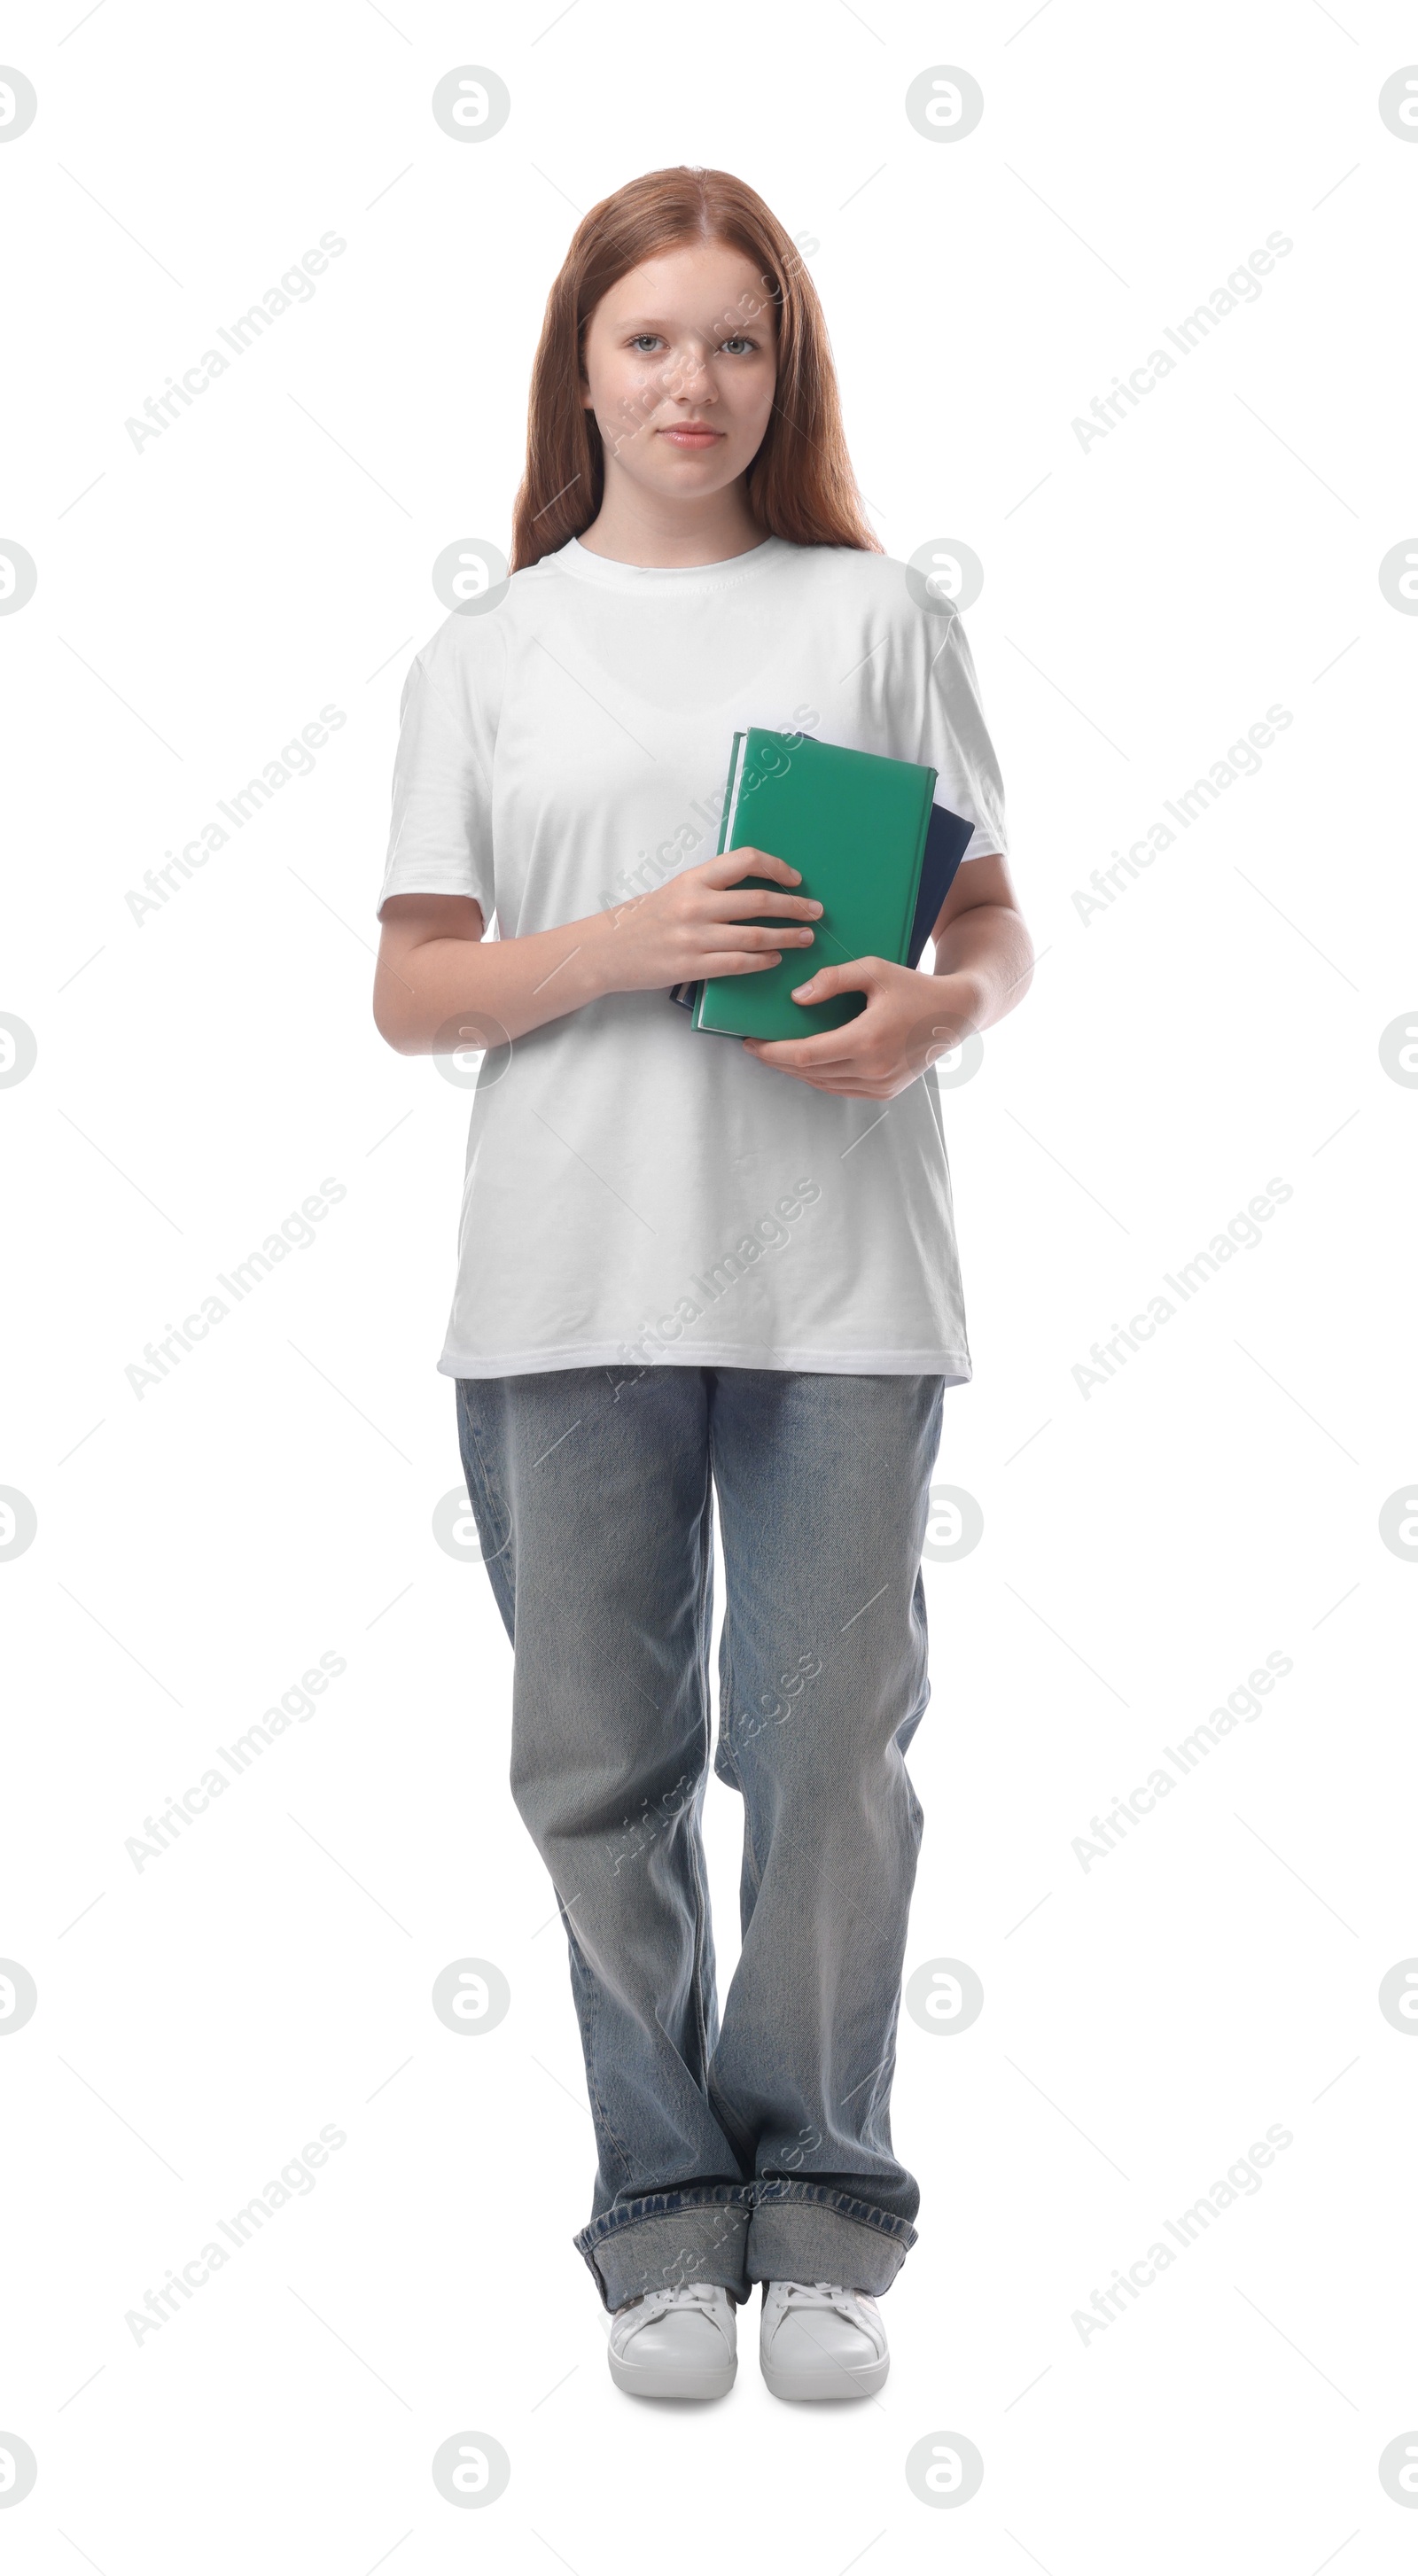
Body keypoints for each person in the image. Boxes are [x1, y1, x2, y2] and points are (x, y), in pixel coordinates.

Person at [372, 164, 1032, 2403]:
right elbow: (415, 993)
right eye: (652, 337)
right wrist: (640, 939)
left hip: (839, 1280)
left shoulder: (869, 613)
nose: (694, 381)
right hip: (564, 1282)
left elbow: (990, 918)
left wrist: (946, 1008)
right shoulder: (484, 649)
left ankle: (820, 2196)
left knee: (824, 1758)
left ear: (786, 370)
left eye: (736, 341)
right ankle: (660, 2204)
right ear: (582, 359)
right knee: (595, 1765)